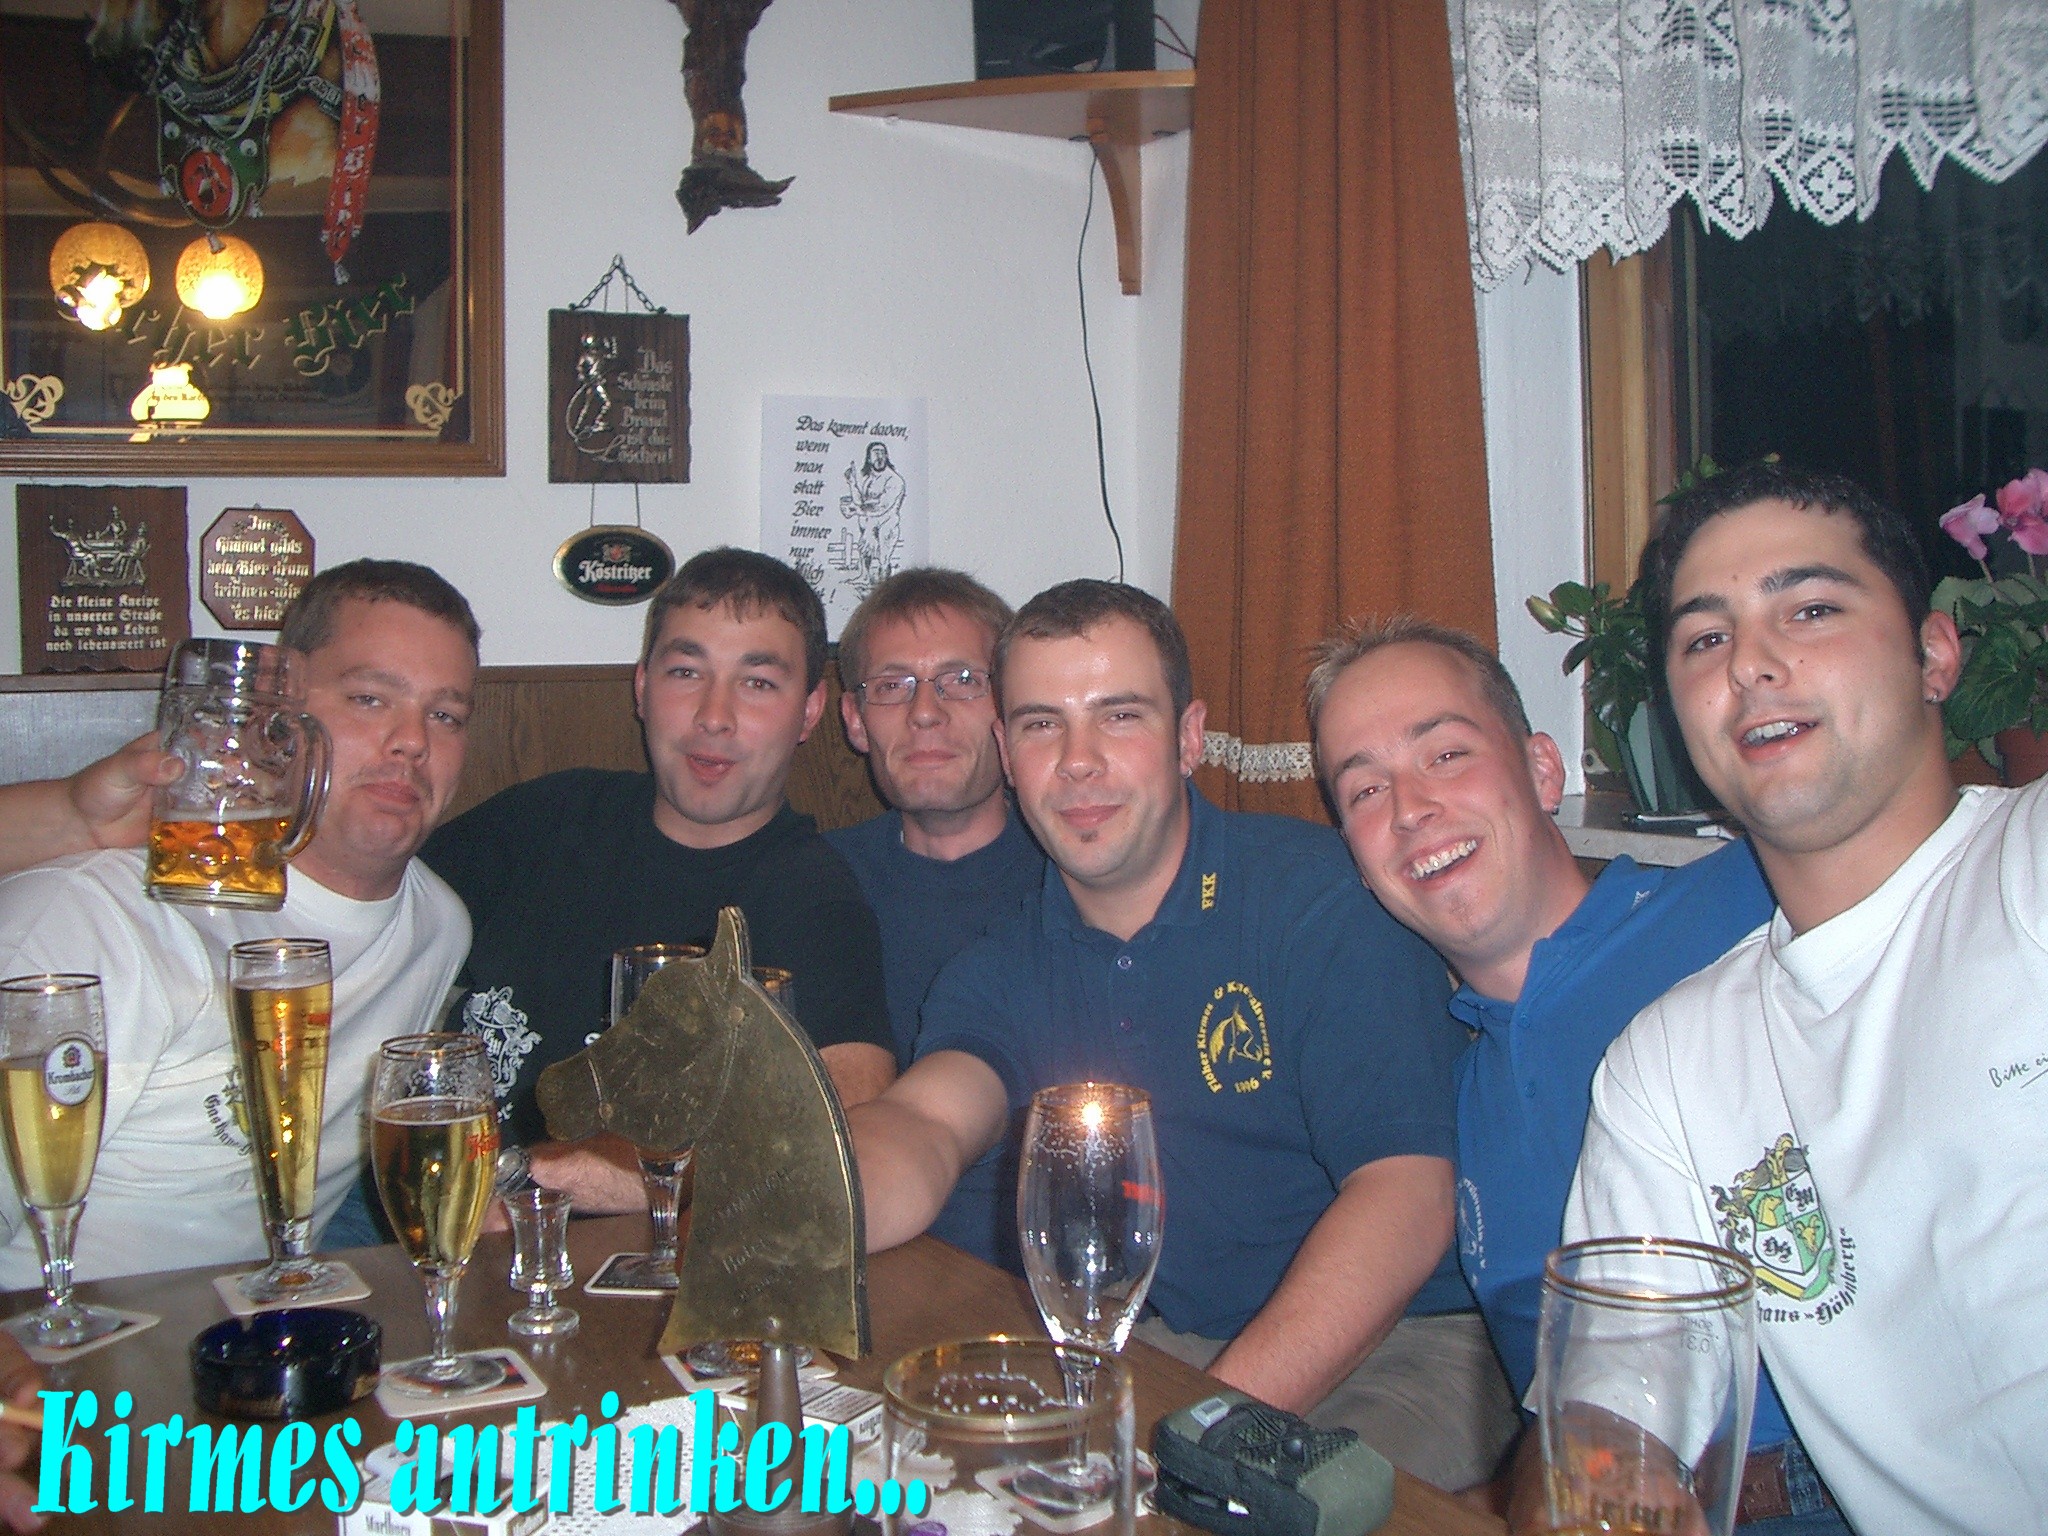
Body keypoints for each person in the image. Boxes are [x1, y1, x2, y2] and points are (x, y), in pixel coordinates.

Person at [849, 579, 1515, 1490]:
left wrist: (1195, 1435)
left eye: (1119, 716)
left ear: (1189, 738)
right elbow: (921, 1126)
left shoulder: (1319, 900)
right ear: (1006, 752)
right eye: (1043, 725)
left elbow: (1407, 1195)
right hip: (1167, 1341)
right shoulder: (999, 964)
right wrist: (773, 1209)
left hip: (1407, 1345)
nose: (1078, 763)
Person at [1536, 462, 2046, 1533]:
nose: (1751, 664)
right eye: (1704, 638)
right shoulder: (1668, 1067)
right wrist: (1606, 1482)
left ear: (1934, 656)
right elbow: (1613, 1409)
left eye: (1810, 610)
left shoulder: (2024, 870)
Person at [1307, 615, 1845, 1530]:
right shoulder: (1450, 1111)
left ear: (1543, 771)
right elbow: (1559, 1444)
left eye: (1446, 754)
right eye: (1365, 790)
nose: (1409, 808)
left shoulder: (1755, 904)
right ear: (1359, 864)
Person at [0, 560, 477, 1283]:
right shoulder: (92, 917)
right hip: (59, 1327)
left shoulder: (437, 927)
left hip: (270, 1325)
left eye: (445, 716)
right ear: (271, 720)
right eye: (369, 698)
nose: (413, 740)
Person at [424, 547, 893, 1212]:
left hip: (604, 1251)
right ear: (642, 688)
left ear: (811, 711)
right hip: (412, 1214)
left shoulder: (812, 898)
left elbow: (848, 1111)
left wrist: (560, 1180)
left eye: (758, 683)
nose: (713, 715)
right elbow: (375, 909)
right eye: (685, 672)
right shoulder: (544, 818)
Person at [827, 568, 1046, 1269]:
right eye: (893, 685)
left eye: (961, 680)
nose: (925, 712)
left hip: (1043, 1279)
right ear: (855, 720)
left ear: (1009, 709)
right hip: (852, 1252)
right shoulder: (811, 884)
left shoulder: (1078, 880)